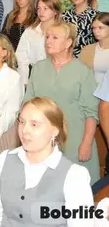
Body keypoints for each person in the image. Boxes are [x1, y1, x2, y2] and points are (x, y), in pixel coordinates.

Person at [0, 97, 94, 227]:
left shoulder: (75, 176)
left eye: (34, 124)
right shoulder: (4, 160)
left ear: (55, 130)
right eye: (21, 122)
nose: (24, 130)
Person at [25, 22, 100, 183]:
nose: (48, 41)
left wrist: (86, 143)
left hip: (75, 139)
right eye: (47, 37)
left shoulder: (82, 71)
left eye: (54, 37)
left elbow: (92, 112)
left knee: (76, 191)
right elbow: (27, 104)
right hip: (43, 140)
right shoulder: (38, 68)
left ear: (68, 43)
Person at [16, 0, 61, 86]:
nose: (41, 12)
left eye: (45, 8)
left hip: (57, 76)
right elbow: (22, 58)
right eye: (39, 8)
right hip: (34, 76)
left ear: (55, 11)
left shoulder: (62, 32)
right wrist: (24, 81)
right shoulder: (30, 31)